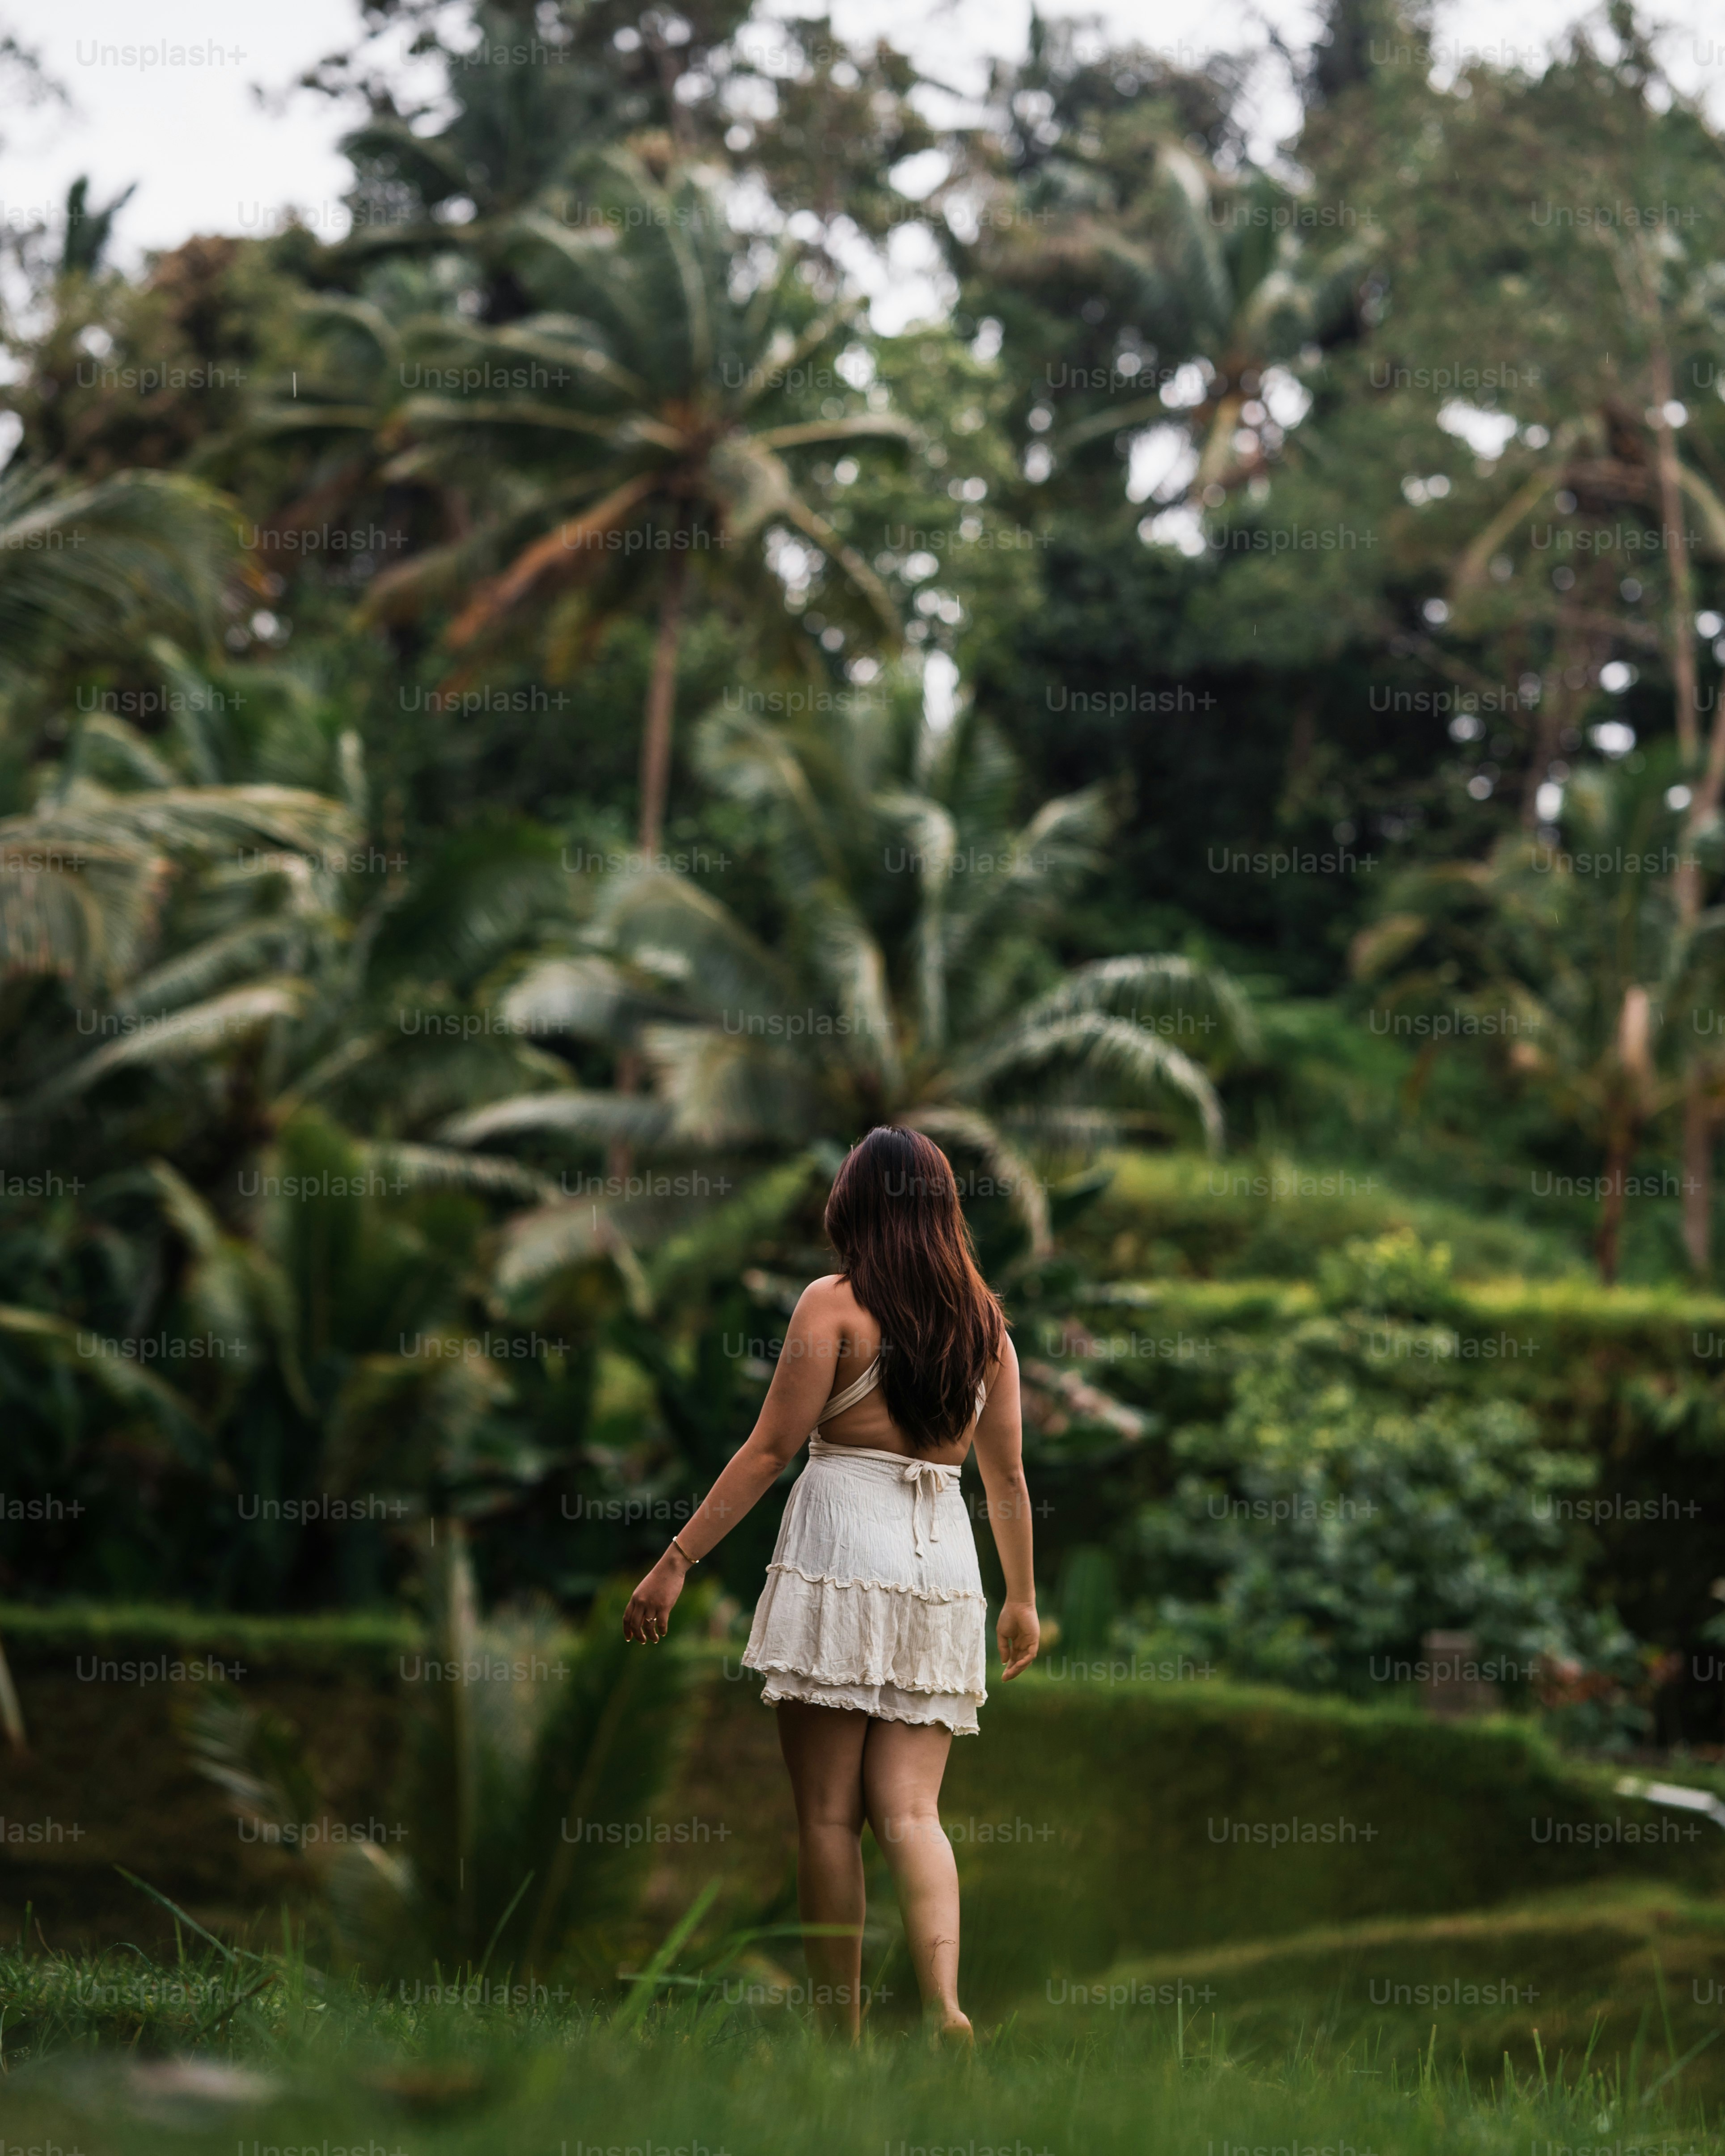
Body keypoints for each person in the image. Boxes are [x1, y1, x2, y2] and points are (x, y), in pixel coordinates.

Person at [622, 1125, 1039, 2042]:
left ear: (854, 1201)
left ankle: (839, 2037)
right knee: (914, 1808)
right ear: (943, 1209)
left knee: (826, 1814)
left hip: (846, 1546)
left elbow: (770, 1448)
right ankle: (944, 2003)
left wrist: (677, 1558)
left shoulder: (834, 1304)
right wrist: (1022, 1599)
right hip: (944, 1564)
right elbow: (1006, 1479)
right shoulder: (987, 1326)